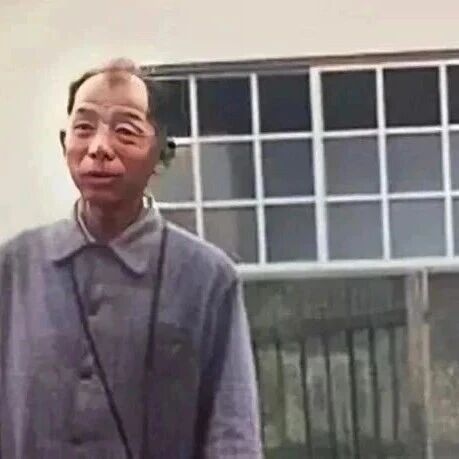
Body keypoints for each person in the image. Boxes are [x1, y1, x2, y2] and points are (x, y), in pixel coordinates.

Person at [0, 58, 262, 458]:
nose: (99, 148)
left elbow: (233, 436)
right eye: (83, 128)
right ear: (64, 143)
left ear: (162, 155)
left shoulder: (207, 279)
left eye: (125, 131)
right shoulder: (15, 268)